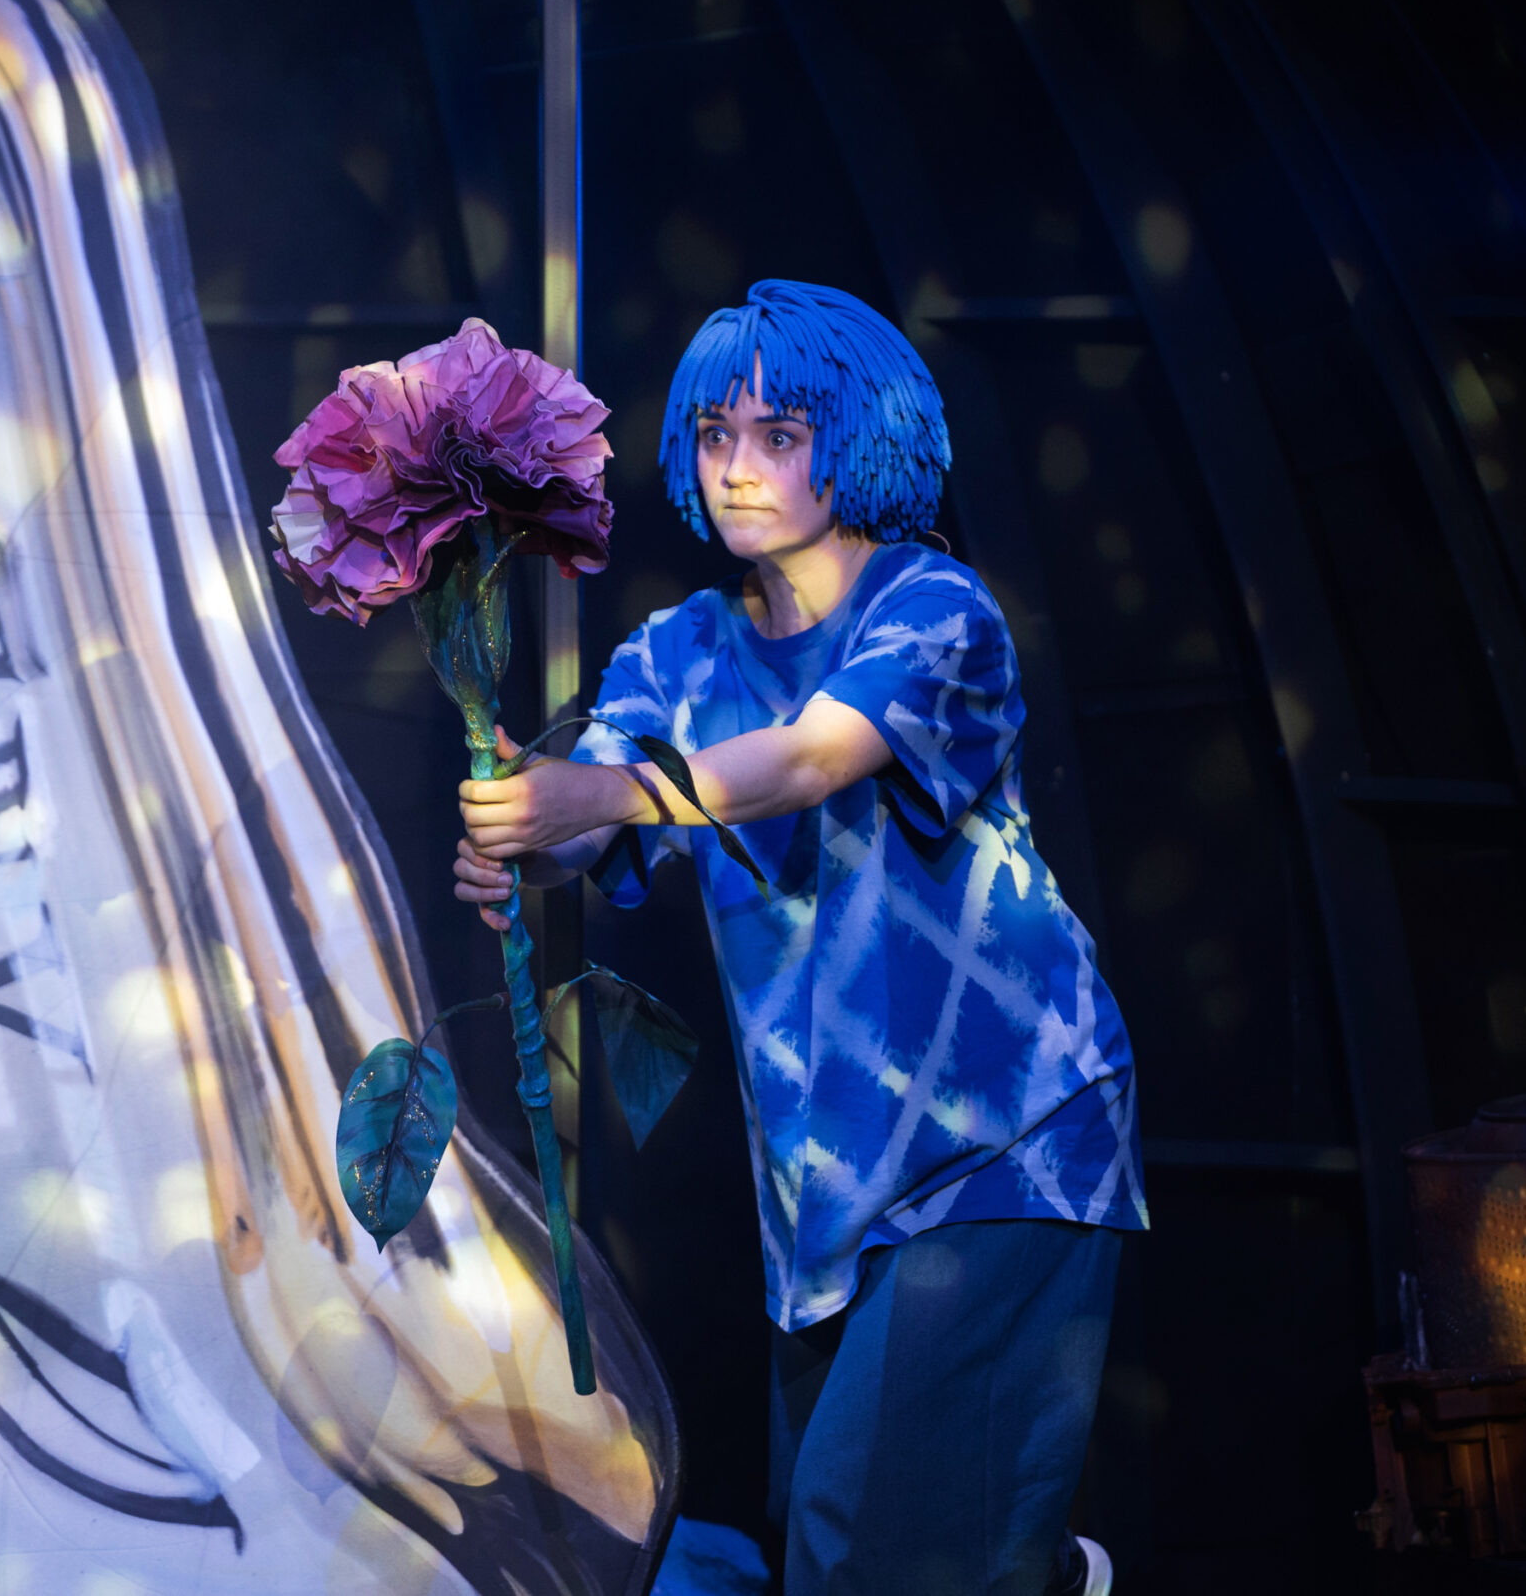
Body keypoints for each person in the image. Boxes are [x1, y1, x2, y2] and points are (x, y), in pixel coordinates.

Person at [453, 281, 1144, 1596]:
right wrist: (519, 832)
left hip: (1005, 1139)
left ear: (861, 436)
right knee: (843, 1533)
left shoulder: (935, 609)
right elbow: (589, 827)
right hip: (825, 1184)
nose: (739, 468)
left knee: (857, 1537)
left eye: (779, 436)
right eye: (716, 434)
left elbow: (809, 760)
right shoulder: (676, 652)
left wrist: (598, 796)